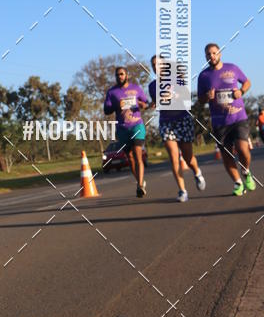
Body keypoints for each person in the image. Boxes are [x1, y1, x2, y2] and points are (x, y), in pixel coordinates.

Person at [197, 43, 255, 196]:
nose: (212, 56)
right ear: (206, 57)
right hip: (219, 122)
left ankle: (246, 171)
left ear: (220, 54)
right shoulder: (203, 76)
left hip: (238, 117)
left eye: (214, 53)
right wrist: (206, 97)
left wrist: (241, 91)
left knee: (242, 149)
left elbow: (247, 82)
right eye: (208, 54)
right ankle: (237, 183)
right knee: (227, 154)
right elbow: (200, 99)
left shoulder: (232, 68)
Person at [148, 55, 205, 202]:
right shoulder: (152, 86)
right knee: (174, 158)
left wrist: (173, 94)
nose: (156, 67)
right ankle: (182, 190)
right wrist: (155, 103)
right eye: (153, 65)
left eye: (159, 64)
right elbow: (156, 103)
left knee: (188, 157)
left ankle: (197, 172)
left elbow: (185, 96)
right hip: (166, 122)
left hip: (182, 119)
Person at [104, 66, 149, 197]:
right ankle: (140, 181)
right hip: (122, 128)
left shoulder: (136, 88)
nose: (120, 77)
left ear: (127, 75)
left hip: (137, 125)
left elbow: (146, 103)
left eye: (122, 74)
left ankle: (140, 186)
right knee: (130, 158)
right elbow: (106, 110)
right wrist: (115, 106)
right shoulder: (112, 92)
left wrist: (142, 105)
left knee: (137, 153)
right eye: (117, 75)